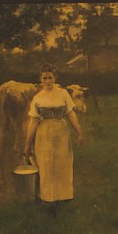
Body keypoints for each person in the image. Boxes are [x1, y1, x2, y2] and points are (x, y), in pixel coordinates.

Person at [22, 65, 85, 215]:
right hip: (44, 133)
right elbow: (33, 122)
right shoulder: (37, 98)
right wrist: (27, 144)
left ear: (55, 78)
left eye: (50, 77)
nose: (47, 80)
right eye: (44, 78)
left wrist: (79, 132)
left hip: (61, 132)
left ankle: (63, 197)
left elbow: (71, 114)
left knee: (62, 163)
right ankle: (48, 199)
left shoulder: (63, 93)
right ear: (40, 79)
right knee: (45, 165)